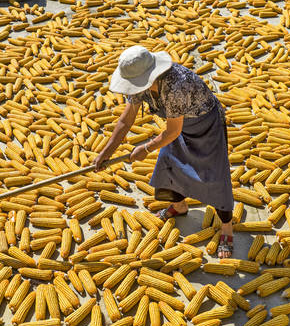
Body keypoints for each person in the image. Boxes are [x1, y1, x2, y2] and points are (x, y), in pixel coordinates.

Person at [93, 45, 236, 258]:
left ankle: (227, 227)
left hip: (205, 124)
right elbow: (126, 119)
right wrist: (106, 152)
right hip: (180, 127)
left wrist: (146, 148)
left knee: (214, 176)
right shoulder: (140, 87)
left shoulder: (176, 87)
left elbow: (172, 132)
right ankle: (178, 206)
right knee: (170, 166)